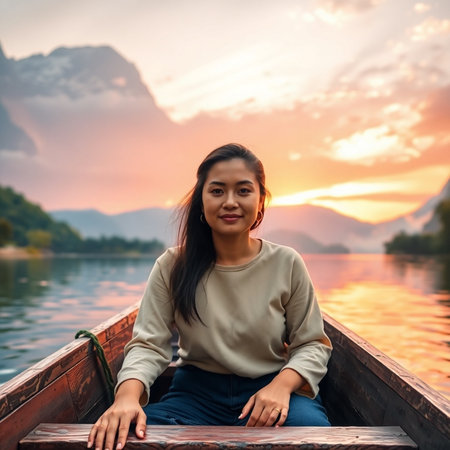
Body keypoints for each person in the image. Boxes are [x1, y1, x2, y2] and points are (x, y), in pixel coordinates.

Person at [88, 143, 332, 450]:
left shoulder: (286, 262)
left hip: (270, 387)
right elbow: (148, 345)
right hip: (194, 395)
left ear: (260, 201)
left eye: (243, 191)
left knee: (312, 437)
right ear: (201, 201)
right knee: (132, 437)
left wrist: (281, 387)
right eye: (217, 191)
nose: (230, 202)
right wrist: (125, 399)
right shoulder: (172, 265)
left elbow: (311, 343)